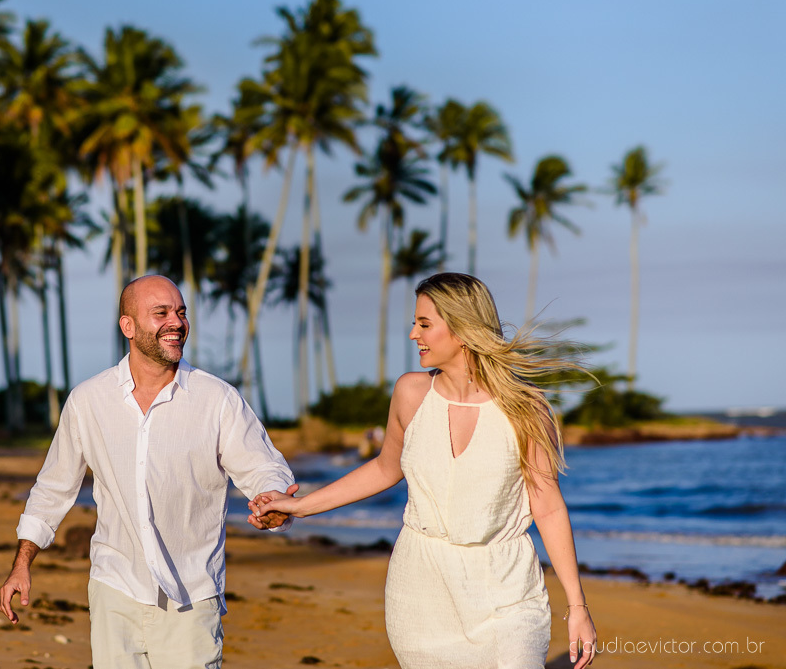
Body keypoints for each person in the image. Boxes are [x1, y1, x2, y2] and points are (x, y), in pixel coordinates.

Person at [250, 272, 598, 669]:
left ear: (463, 329)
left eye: (424, 324)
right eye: (415, 323)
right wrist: (300, 506)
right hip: (422, 589)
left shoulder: (525, 409)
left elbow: (548, 507)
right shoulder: (411, 393)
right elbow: (384, 469)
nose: (413, 334)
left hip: (507, 588)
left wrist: (577, 606)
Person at [0, 274, 298, 669]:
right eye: (161, 313)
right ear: (128, 326)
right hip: (114, 592)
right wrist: (22, 563)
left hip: (192, 598)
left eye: (181, 312)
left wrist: (274, 502)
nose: (177, 322)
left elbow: (263, 468)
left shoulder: (217, 400)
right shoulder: (89, 400)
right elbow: (53, 488)